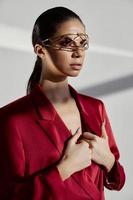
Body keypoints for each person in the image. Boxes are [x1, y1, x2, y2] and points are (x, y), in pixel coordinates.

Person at [0, 6, 125, 200]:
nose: (78, 52)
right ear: (40, 50)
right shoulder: (11, 119)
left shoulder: (95, 108)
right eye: (67, 42)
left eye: (83, 43)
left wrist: (108, 160)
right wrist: (64, 168)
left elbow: (116, 180)